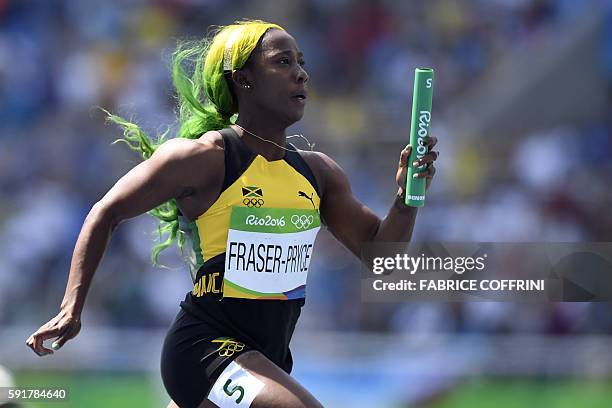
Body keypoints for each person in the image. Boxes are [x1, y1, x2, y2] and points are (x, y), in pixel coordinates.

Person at [25, 20, 439, 408]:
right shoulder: (205, 159)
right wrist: (71, 308)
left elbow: (381, 256)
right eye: (283, 62)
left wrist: (405, 199)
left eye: (301, 63)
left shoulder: (318, 172)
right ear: (244, 79)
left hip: (268, 358)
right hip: (205, 349)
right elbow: (105, 212)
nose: (301, 74)